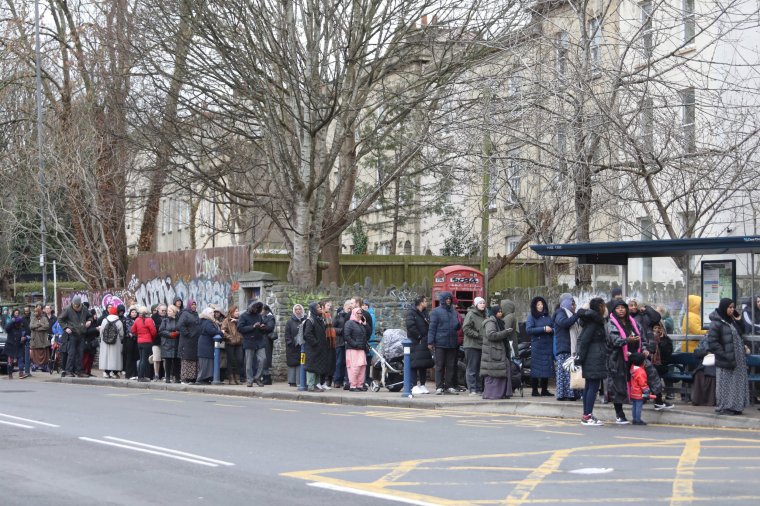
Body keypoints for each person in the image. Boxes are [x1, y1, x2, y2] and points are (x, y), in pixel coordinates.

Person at [707, 298, 750, 415]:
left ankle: (736, 406)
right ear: (723, 307)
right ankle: (725, 407)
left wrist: (739, 320)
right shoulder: (716, 322)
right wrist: (724, 354)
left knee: (737, 383)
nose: (732, 310)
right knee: (725, 383)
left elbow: (742, 331)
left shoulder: (732, 320)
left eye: (733, 307)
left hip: (738, 358)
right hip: (726, 358)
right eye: (729, 307)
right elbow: (712, 342)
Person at [606, 299, 640, 424]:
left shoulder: (632, 322)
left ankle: (638, 415)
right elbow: (615, 340)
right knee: (618, 385)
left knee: (639, 384)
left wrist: (644, 348)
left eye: (623, 307)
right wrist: (627, 340)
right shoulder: (611, 323)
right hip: (617, 359)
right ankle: (619, 414)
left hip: (633, 357)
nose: (621, 310)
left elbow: (642, 336)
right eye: (617, 308)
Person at [576, 298, 608, 426]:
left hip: (593, 357)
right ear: (600, 306)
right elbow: (584, 341)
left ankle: (586, 414)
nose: (605, 308)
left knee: (590, 386)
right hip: (593, 358)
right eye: (603, 305)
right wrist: (580, 358)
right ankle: (587, 416)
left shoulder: (593, 321)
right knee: (592, 387)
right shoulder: (594, 323)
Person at [427, 291, 461, 395]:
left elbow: (457, 326)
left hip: (452, 342)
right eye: (446, 299)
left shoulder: (454, 312)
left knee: (451, 365)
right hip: (440, 342)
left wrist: (458, 325)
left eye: (450, 299)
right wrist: (430, 342)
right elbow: (432, 328)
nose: (448, 301)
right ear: (442, 300)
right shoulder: (436, 312)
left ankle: (449, 386)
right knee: (440, 365)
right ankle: (439, 386)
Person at [480, 304, 513, 400]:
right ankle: (493, 394)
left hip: (498, 351)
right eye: (498, 311)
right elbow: (491, 335)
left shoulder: (499, 322)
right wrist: (506, 332)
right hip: (493, 352)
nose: (500, 313)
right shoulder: (490, 322)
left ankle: (502, 393)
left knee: (502, 371)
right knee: (494, 373)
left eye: (501, 311)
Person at [553, 294, 580, 401]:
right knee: (565, 373)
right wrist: (577, 315)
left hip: (571, 347)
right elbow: (564, 323)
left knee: (571, 372)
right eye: (572, 303)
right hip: (564, 347)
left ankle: (572, 393)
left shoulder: (570, 313)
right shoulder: (560, 312)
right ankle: (565, 394)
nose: (574, 305)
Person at [59, 296, 93, 378]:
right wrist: (66, 328)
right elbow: (60, 319)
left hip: (81, 334)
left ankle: (80, 371)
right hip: (72, 334)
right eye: (75, 305)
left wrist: (89, 321)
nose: (76, 307)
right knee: (71, 353)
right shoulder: (67, 309)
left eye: (77, 305)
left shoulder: (84, 308)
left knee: (80, 354)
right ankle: (68, 371)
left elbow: (90, 316)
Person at [238, 301, 271, 387]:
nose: (256, 309)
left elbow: (262, 328)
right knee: (249, 362)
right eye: (255, 307)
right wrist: (252, 327)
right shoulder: (243, 316)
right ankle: (249, 380)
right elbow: (240, 328)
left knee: (263, 359)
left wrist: (263, 327)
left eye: (258, 308)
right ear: (251, 307)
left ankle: (257, 377)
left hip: (259, 341)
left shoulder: (259, 316)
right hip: (249, 341)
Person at [526, 296, 554, 397]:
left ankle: (544, 390)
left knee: (546, 367)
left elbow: (554, 327)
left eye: (541, 304)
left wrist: (552, 330)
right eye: (538, 304)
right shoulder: (531, 316)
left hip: (547, 345)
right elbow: (529, 330)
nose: (540, 306)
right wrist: (543, 329)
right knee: (536, 369)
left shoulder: (547, 316)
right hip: (537, 345)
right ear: (535, 306)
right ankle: (534, 390)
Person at [405, 295, 433, 395]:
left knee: (423, 365)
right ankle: (413, 385)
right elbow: (410, 326)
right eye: (425, 301)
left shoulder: (425, 313)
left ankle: (422, 384)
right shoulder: (411, 312)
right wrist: (419, 337)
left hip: (424, 341)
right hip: (416, 342)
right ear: (420, 303)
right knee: (415, 364)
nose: (427, 303)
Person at [303, 302, 331, 391]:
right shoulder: (310, 320)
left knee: (317, 367)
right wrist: (315, 343)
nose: (320, 309)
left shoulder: (319, 319)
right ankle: (311, 385)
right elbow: (307, 334)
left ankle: (316, 385)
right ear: (313, 309)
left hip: (319, 348)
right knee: (311, 367)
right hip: (312, 348)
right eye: (318, 307)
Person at [462, 296, 487, 395]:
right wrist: (477, 335)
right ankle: (472, 389)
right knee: (472, 368)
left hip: (481, 345)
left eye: (483, 303)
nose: (482, 305)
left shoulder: (485, 315)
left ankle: (479, 388)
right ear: (476, 304)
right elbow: (466, 328)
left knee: (480, 369)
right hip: (471, 345)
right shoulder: (471, 314)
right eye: (480, 303)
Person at [344, 306, 369, 391]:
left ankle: (359, 385)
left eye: (361, 313)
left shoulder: (361, 323)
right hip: (353, 349)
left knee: (362, 367)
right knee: (354, 368)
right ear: (354, 313)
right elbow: (346, 336)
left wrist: (365, 324)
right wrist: (355, 344)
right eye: (358, 313)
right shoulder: (349, 323)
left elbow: (367, 334)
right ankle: (353, 385)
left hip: (361, 349)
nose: (360, 315)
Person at [131, 306, 157, 383]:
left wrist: (139, 334)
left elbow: (133, 330)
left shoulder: (137, 320)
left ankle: (140, 376)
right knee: (144, 360)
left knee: (141, 359)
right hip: (147, 342)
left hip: (139, 342)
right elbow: (154, 332)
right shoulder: (149, 320)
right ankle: (141, 377)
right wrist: (151, 337)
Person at [178, 299, 200, 384]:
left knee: (194, 359)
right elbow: (180, 325)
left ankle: (193, 377)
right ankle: (185, 378)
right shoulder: (185, 314)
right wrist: (188, 334)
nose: (194, 306)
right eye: (192, 304)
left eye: (195, 304)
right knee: (187, 358)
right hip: (187, 341)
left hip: (195, 341)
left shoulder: (196, 314)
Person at [691, 334, 716, 406]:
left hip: (718, 364)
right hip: (705, 364)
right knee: (699, 373)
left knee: (710, 373)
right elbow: (696, 353)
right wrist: (706, 352)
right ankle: (698, 400)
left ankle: (710, 401)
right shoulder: (706, 338)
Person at [99, 306, 124, 377]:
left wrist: (102, 339)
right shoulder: (119, 321)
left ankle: (106, 372)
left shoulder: (104, 320)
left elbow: (101, 331)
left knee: (106, 356)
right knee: (115, 357)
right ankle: (114, 372)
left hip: (105, 341)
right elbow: (121, 333)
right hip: (116, 341)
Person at [196, 307, 220, 384]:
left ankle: (206, 378)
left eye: (213, 312)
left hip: (206, 344)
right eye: (210, 313)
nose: (213, 314)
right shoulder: (207, 322)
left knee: (208, 362)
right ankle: (201, 379)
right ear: (206, 314)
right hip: (205, 344)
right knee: (205, 363)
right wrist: (221, 333)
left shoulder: (205, 321)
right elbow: (212, 331)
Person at [284, 304, 306, 387]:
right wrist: (290, 343)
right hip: (292, 347)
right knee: (292, 364)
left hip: (302, 346)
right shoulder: (290, 322)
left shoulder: (304, 320)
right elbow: (287, 334)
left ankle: (299, 381)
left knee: (300, 363)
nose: (298, 311)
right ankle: (292, 381)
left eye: (299, 309)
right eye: (296, 309)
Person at [332, 300, 352, 389]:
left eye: (351, 307)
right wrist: (342, 331)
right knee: (339, 362)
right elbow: (332, 328)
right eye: (348, 307)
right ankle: (337, 381)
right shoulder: (338, 316)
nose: (349, 309)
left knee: (347, 363)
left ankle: (346, 380)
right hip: (339, 342)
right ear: (344, 307)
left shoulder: (352, 316)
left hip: (348, 343)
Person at [221, 306, 243, 385]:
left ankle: (237, 377)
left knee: (239, 360)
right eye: (236, 311)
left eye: (238, 311)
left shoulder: (240, 320)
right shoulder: (226, 320)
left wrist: (237, 321)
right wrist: (229, 337)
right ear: (232, 312)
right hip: (230, 343)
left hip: (239, 343)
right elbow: (223, 331)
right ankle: (231, 378)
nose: (237, 312)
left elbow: (243, 328)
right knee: (231, 361)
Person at [160, 305, 182, 383]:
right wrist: (170, 334)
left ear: (174, 312)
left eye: (169, 311)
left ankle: (177, 378)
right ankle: (168, 378)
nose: (168, 312)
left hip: (176, 342)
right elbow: (161, 331)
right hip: (167, 343)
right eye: (168, 311)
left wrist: (178, 333)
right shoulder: (165, 321)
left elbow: (181, 329)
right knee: (168, 361)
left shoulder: (178, 320)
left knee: (177, 361)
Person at [629, 352, 650, 426]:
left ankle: (634, 419)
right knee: (638, 406)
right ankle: (638, 420)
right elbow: (643, 384)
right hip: (639, 392)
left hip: (633, 391)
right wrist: (647, 391)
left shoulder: (632, 368)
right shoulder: (641, 372)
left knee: (634, 406)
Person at [29, 304, 50, 372]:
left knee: (44, 352)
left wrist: (38, 328)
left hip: (43, 339)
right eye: (34, 312)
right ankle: (35, 365)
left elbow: (47, 326)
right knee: (35, 352)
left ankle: (44, 366)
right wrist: (39, 324)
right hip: (35, 339)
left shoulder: (44, 318)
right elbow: (31, 326)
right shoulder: (33, 319)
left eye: (37, 312)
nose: (35, 313)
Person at [4, 310, 25, 379]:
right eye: (17, 323)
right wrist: (12, 321)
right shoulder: (10, 327)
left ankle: (21, 372)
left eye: (19, 323)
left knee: (20, 359)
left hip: (19, 346)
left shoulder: (21, 328)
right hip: (10, 346)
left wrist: (24, 338)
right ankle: (10, 373)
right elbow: (6, 328)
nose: (18, 325)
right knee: (10, 361)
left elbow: (26, 333)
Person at [321, 301, 336, 389]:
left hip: (331, 341)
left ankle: (328, 381)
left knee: (330, 362)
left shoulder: (330, 315)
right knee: (326, 362)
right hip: (325, 341)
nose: (329, 307)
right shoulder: (323, 315)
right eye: (327, 305)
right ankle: (324, 381)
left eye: (330, 305)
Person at [262, 305, 277, 385]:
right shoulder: (262, 316)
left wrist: (262, 327)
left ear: (266, 310)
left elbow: (270, 327)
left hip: (267, 340)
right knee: (262, 358)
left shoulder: (270, 317)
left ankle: (267, 377)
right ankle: (264, 376)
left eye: (262, 310)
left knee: (266, 359)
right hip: (262, 340)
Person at [151, 304, 167, 381]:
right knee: (156, 359)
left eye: (165, 310)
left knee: (165, 359)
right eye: (162, 310)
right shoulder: (153, 317)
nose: (164, 312)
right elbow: (153, 329)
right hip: (156, 341)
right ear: (158, 310)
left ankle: (166, 375)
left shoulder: (168, 317)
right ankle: (156, 375)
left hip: (166, 341)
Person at [123, 307, 140, 379]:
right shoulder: (127, 320)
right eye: (132, 312)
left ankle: (135, 374)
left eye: (135, 312)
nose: (134, 314)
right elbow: (129, 331)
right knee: (129, 357)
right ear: (130, 313)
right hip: (129, 340)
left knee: (135, 357)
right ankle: (129, 374)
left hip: (137, 340)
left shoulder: (138, 320)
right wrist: (133, 334)